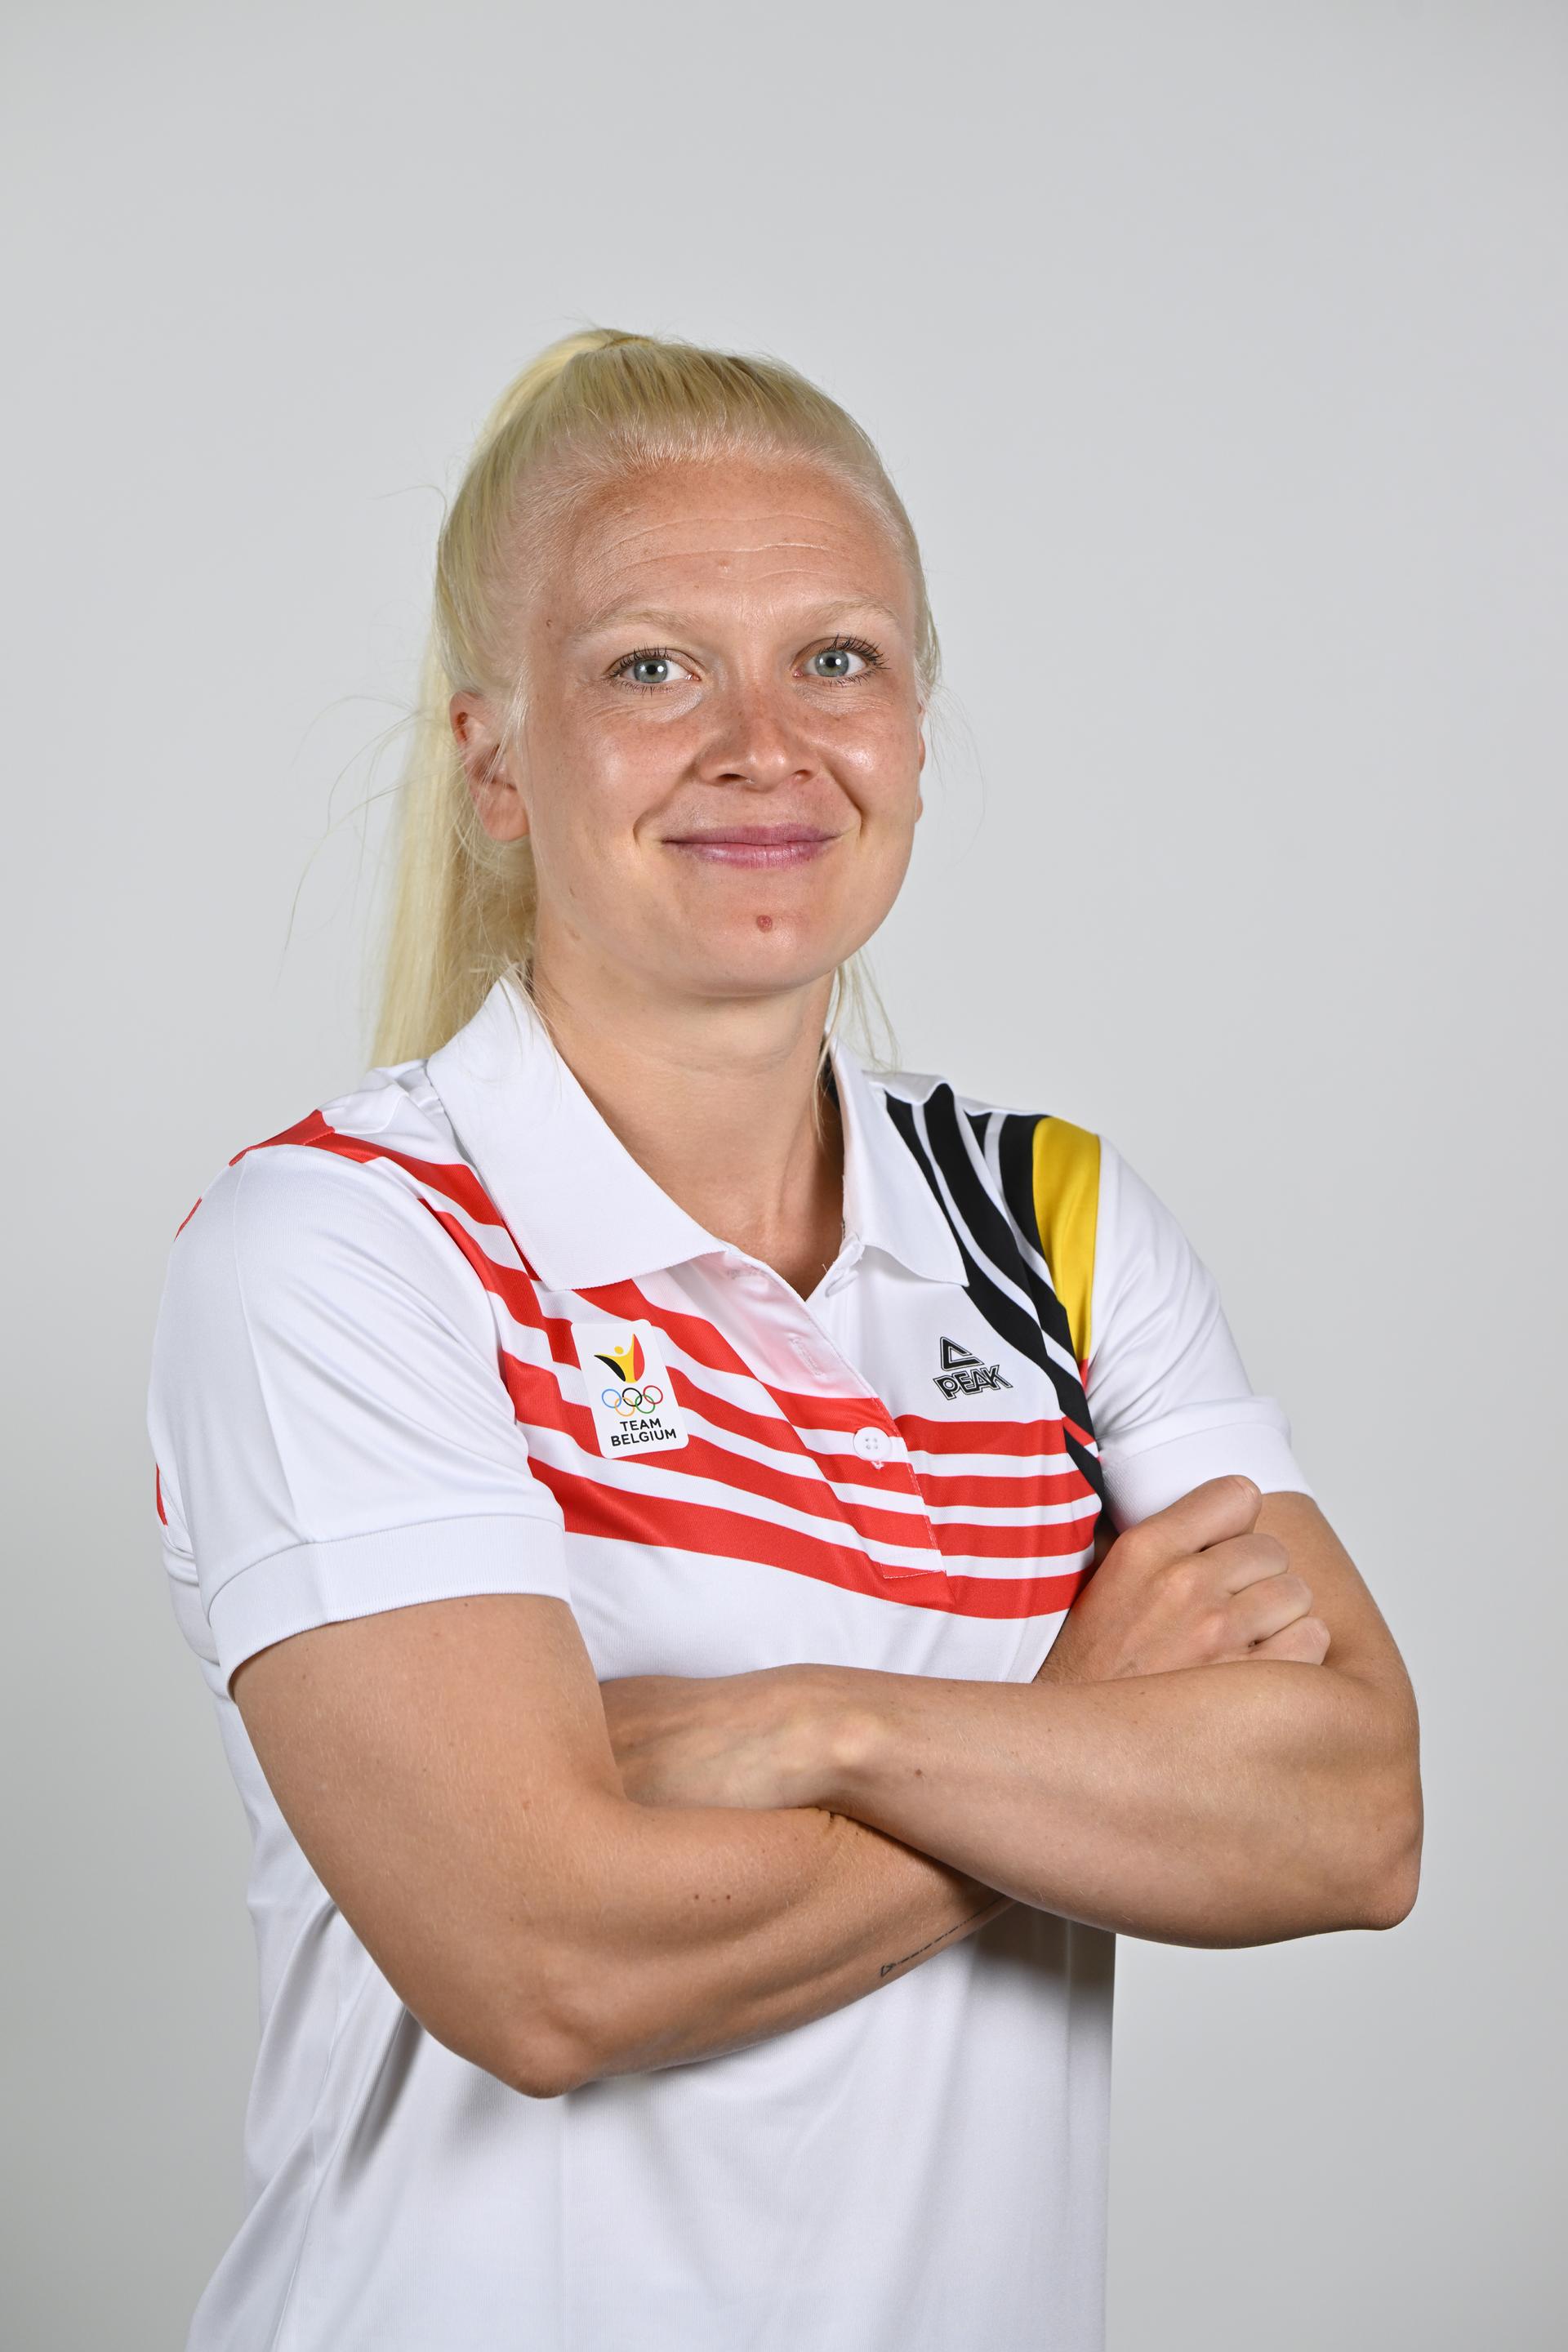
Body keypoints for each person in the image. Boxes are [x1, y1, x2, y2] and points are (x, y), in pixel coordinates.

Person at [145, 327, 1422, 2352]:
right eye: (653, 666)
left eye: (838, 658)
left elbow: (1353, 1815)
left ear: (916, 728)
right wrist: (1082, 1740)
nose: (766, 741)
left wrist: (823, 1727)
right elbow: (546, 1969)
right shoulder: (345, 1249)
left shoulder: (1057, 1230)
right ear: (495, 762)